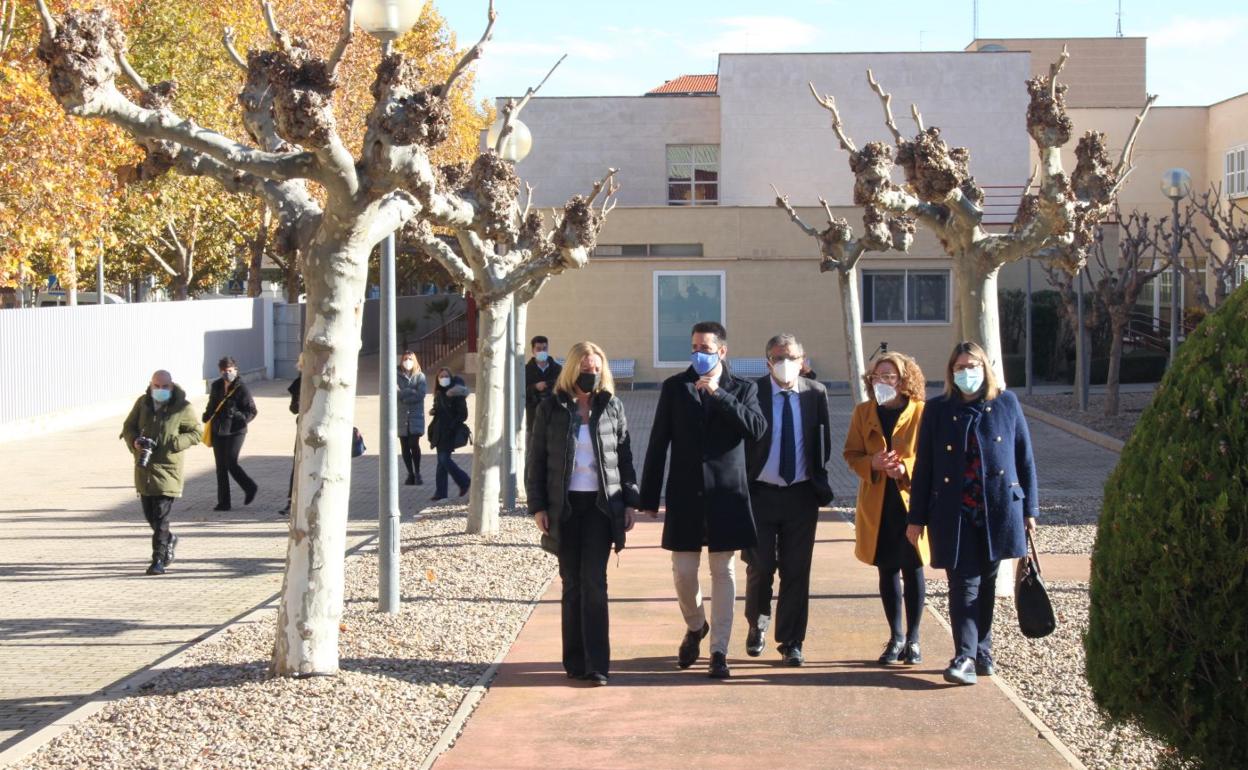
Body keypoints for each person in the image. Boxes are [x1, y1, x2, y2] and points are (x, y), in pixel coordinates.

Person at [908, 341, 1039, 686]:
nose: (967, 373)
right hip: (954, 513)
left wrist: (1030, 509)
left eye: (973, 366)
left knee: (987, 583)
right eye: (960, 367)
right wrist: (916, 518)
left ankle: (983, 651)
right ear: (951, 372)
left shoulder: (1006, 404)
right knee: (964, 584)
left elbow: (1024, 459)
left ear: (985, 368)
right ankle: (964, 655)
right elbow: (925, 467)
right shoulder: (937, 410)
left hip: (998, 511)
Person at [640, 321, 767, 679]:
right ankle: (696, 626)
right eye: (694, 347)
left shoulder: (743, 389)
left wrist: (719, 395)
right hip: (685, 495)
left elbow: (756, 429)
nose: (699, 353)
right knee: (683, 573)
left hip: (726, 495)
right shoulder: (675, 387)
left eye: (706, 348)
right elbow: (657, 441)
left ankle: (719, 651)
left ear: (722, 351)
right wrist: (649, 496)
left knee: (723, 571)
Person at [527, 341, 640, 686]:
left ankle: (597, 663)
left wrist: (630, 500)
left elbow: (624, 458)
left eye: (595, 370)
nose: (590, 375)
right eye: (584, 369)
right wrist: (539, 507)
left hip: (601, 508)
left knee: (594, 583)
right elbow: (537, 462)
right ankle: (574, 660)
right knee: (572, 584)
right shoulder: (551, 408)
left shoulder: (612, 407)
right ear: (572, 370)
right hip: (566, 509)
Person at [742, 334, 834, 667]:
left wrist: (819, 480)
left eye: (791, 356)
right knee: (761, 566)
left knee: (797, 570)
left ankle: (792, 640)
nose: (785, 363)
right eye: (778, 357)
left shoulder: (815, 394)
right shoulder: (753, 392)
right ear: (767, 361)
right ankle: (757, 623)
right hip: (761, 494)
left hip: (801, 494)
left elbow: (822, 442)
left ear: (802, 359)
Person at [844, 351, 930, 667]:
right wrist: (873, 463)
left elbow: (929, 456)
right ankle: (896, 637)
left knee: (913, 567)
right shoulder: (863, 412)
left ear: (905, 380)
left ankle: (915, 638)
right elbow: (851, 454)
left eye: (890, 376)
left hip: (910, 502)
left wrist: (905, 468)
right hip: (877, 504)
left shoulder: (921, 412)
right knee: (887, 569)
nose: (883, 381)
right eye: (878, 376)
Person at [121, 370, 202, 575]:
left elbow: (196, 433)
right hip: (144, 469)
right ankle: (169, 539)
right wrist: (135, 442)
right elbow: (128, 426)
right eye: (156, 386)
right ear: (150, 385)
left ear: (171, 386)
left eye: (164, 387)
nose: (160, 390)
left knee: (161, 517)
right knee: (151, 517)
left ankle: (158, 559)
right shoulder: (143, 404)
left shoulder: (182, 407)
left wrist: (174, 443)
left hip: (168, 470)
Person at [202, 356, 258, 511]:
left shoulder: (241, 388)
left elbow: (252, 411)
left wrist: (239, 416)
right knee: (220, 467)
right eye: (224, 371)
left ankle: (250, 487)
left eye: (229, 370)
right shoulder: (216, 386)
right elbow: (212, 404)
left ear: (235, 370)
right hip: (218, 430)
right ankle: (224, 502)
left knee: (231, 463)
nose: (227, 373)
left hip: (236, 431)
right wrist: (206, 415)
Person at [428, 366, 471, 501]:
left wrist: (452, 426)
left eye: (446, 376)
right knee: (441, 462)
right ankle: (441, 492)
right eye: (441, 376)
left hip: (450, 431)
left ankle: (464, 481)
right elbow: (438, 409)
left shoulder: (457, 394)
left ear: (451, 377)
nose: (443, 379)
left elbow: (463, 414)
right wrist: (434, 411)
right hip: (439, 432)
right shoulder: (439, 393)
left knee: (444, 459)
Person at [397, 350, 427, 486]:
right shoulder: (396, 376)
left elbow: (420, 394)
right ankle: (410, 473)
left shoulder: (420, 376)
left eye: (410, 359)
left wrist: (404, 393)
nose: (407, 361)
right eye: (405, 359)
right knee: (404, 445)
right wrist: (410, 391)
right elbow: (394, 393)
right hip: (401, 416)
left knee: (413, 444)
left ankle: (418, 471)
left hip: (416, 416)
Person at [525, 335, 562, 432]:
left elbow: (562, 386)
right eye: (538, 349)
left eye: (544, 348)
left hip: (553, 414)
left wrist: (547, 384)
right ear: (533, 351)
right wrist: (535, 387)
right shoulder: (525, 370)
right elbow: (521, 392)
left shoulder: (557, 369)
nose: (542, 351)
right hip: (533, 415)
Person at [281, 360, 302, 517]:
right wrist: (299, 402)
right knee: (298, 464)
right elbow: (293, 409)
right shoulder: (299, 383)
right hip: (303, 428)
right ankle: (291, 501)